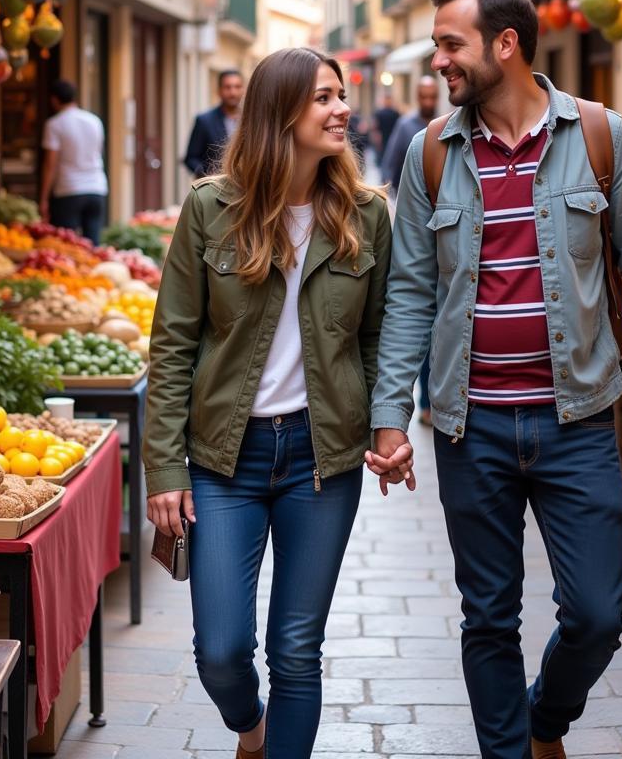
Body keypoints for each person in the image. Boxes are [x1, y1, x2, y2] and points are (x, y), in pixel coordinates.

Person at [365, 0, 622, 759]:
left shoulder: (601, 136)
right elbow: (410, 291)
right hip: (468, 427)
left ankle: (546, 719)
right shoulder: (431, 155)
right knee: (489, 617)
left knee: (596, 615)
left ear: (504, 44)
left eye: (451, 44)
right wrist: (388, 416)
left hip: (575, 420)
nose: (438, 60)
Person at [144, 47, 391, 759]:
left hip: (323, 460)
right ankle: (249, 728)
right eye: (323, 97)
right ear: (280, 111)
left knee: (296, 650)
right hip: (226, 460)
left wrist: (383, 426)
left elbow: (378, 338)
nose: (342, 108)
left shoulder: (365, 215)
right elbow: (172, 347)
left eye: (341, 95)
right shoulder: (210, 208)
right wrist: (164, 470)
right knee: (221, 649)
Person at [381, 75, 440, 426]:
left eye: (433, 94)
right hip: (419, 229)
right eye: (424, 94)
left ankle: (433, 400)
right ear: (417, 95)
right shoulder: (406, 129)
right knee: (422, 311)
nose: (429, 98)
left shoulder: (448, 123)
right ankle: (424, 402)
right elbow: (390, 172)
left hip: (446, 231)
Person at [39, 80, 108, 243]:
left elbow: (50, 164)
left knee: (67, 245)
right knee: (93, 245)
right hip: (96, 188)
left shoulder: (54, 124)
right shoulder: (94, 121)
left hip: (69, 189)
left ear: (54, 100)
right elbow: (98, 152)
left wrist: (43, 198)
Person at [381, 75, 440, 192]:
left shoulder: (446, 124)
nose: (428, 102)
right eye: (424, 97)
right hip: (410, 193)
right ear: (417, 97)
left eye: (432, 97)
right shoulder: (404, 124)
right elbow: (391, 160)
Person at [184, 69, 244, 178]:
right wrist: (206, 174)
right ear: (219, 90)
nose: (233, 92)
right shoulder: (204, 121)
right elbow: (191, 158)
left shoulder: (251, 120)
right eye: (228, 87)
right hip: (214, 188)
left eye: (237, 87)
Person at [372, 92, 401, 164]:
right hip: (386, 137)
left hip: (390, 137)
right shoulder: (394, 113)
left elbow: (375, 126)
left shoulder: (394, 113)